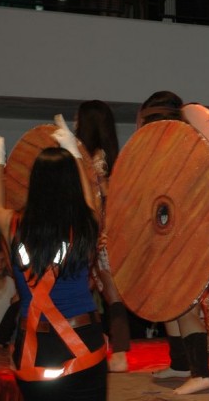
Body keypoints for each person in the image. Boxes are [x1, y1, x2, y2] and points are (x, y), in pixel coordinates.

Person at [0, 116, 107, 400]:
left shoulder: (13, 225)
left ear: (34, 182)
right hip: (84, 344)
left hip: (33, 351)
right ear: (71, 184)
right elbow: (90, 200)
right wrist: (74, 152)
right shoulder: (86, 224)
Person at [136, 91, 209, 394]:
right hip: (169, 235)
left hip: (185, 237)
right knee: (170, 304)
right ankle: (181, 364)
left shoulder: (186, 148)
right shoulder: (159, 150)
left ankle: (201, 372)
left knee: (184, 307)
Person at [75, 99, 131, 373]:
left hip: (100, 232)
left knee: (111, 292)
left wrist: (107, 229)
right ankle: (102, 345)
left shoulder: (96, 157)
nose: (75, 122)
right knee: (97, 292)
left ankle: (119, 352)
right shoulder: (97, 155)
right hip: (93, 232)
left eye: (78, 118)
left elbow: (108, 197)